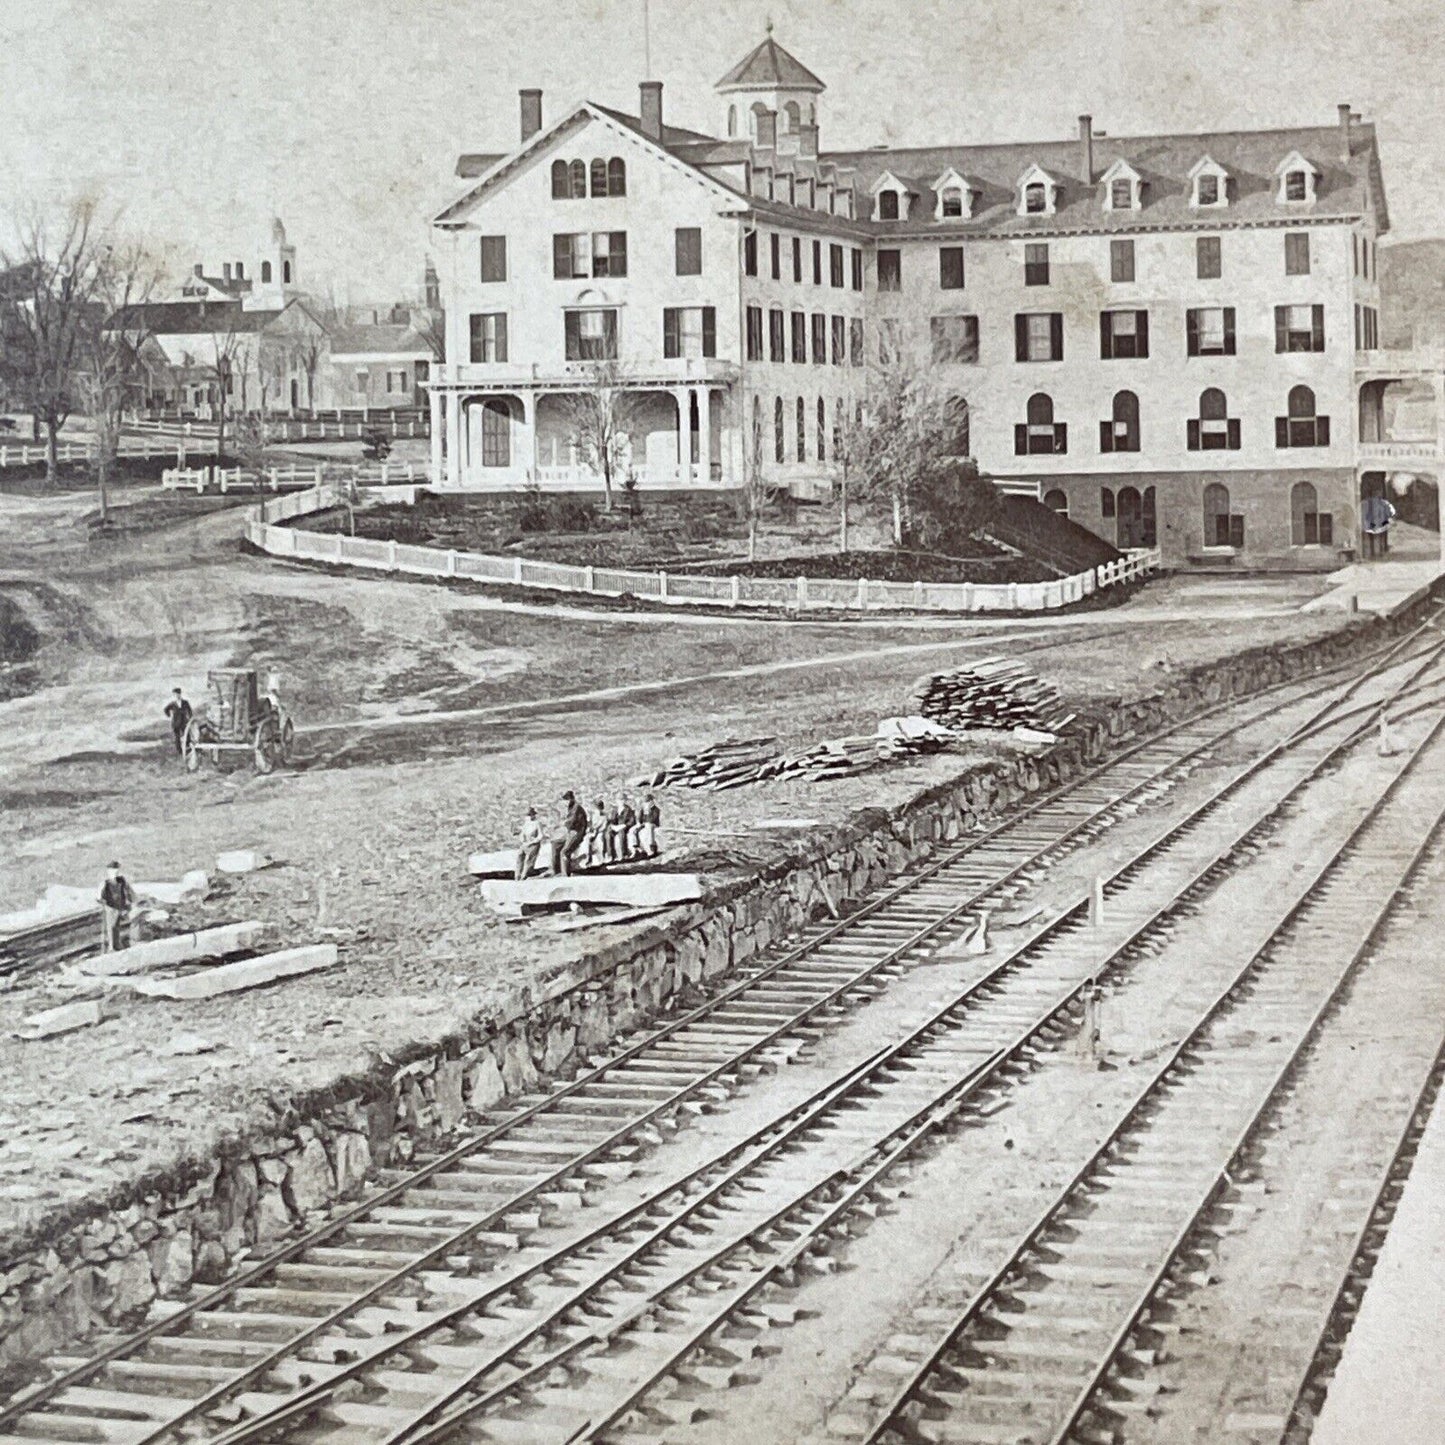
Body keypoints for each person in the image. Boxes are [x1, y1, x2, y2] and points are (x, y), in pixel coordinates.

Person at [550, 791, 589, 876]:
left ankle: (565, 874)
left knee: (565, 852)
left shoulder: (576, 808)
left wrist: (562, 823)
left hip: (577, 832)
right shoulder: (570, 807)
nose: (566, 802)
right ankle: (556, 871)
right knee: (555, 843)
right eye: (565, 800)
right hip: (571, 831)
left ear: (571, 799)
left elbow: (571, 823)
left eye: (567, 800)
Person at [99, 861, 134, 953]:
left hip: (119, 906)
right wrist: (103, 902)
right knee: (111, 926)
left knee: (117, 925)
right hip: (110, 907)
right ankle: (111, 947)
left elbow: (128, 891)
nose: (115, 872)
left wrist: (129, 902)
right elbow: (99, 896)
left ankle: (117, 945)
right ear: (108, 871)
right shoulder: (105, 883)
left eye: (116, 870)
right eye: (112, 870)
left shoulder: (121, 881)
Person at [515, 807, 543, 881]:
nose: (530, 817)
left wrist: (533, 842)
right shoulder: (526, 823)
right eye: (528, 815)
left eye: (531, 815)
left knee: (528, 860)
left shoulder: (537, 823)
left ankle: (524, 876)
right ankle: (517, 875)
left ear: (534, 815)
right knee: (520, 857)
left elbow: (540, 835)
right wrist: (522, 840)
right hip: (525, 844)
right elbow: (522, 833)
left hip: (533, 844)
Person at [164, 687, 193, 757]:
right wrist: (168, 715)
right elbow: (165, 709)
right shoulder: (172, 704)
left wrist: (190, 718)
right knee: (177, 737)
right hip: (175, 723)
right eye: (175, 694)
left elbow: (190, 711)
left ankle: (188, 748)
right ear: (174, 695)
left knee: (187, 736)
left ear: (180, 694)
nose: (176, 696)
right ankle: (179, 751)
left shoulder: (185, 702)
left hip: (184, 722)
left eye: (177, 694)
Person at [635, 793, 662, 858]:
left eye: (647, 802)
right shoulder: (643, 809)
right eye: (645, 803)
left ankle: (651, 848)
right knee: (635, 830)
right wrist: (639, 822)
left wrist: (646, 818)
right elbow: (639, 818)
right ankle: (639, 848)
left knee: (649, 829)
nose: (646, 804)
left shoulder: (655, 809)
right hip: (645, 825)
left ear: (651, 801)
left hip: (653, 824)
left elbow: (653, 819)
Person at [610, 796, 637, 862]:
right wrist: (613, 826)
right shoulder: (615, 809)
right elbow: (612, 820)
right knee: (608, 833)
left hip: (625, 827)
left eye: (622, 800)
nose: (620, 802)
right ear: (616, 801)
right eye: (619, 800)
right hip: (616, 827)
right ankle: (611, 855)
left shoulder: (628, 809)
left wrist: (623, 826)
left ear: (625, 801)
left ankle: (623, 854)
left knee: (621, 834)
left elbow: (632, 821)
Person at [589, 798, 612, 865]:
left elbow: (601, 826)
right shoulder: (594, 815)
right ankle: (594, 861)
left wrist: (595, 830)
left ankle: (600, 860)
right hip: (595, 832)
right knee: (593, 845)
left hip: (600, 833)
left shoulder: (603, 816)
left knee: (599, 844)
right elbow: (592, 825)